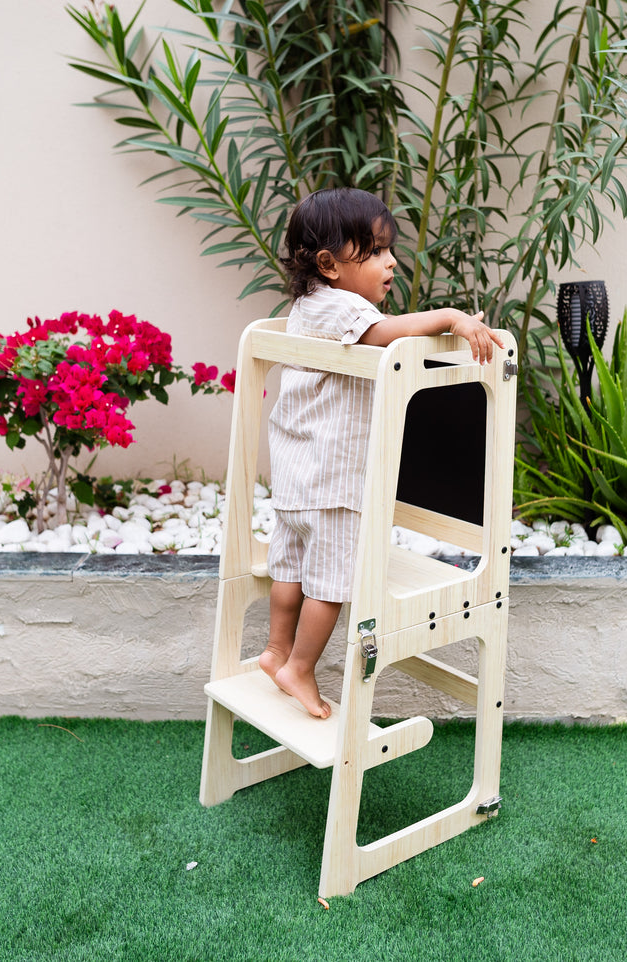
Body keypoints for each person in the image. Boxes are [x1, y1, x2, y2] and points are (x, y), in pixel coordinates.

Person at [261, 187, 504, 719]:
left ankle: (276, 650)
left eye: (388, 249)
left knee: (291, 573)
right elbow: (387, 334)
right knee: (329, 585)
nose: (390, 261)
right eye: (373, 252)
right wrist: (451, 317)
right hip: (334, 481)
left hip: (297, 477)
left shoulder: (304, 307)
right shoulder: (344, 307)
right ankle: (299, 667)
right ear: (329, 264)